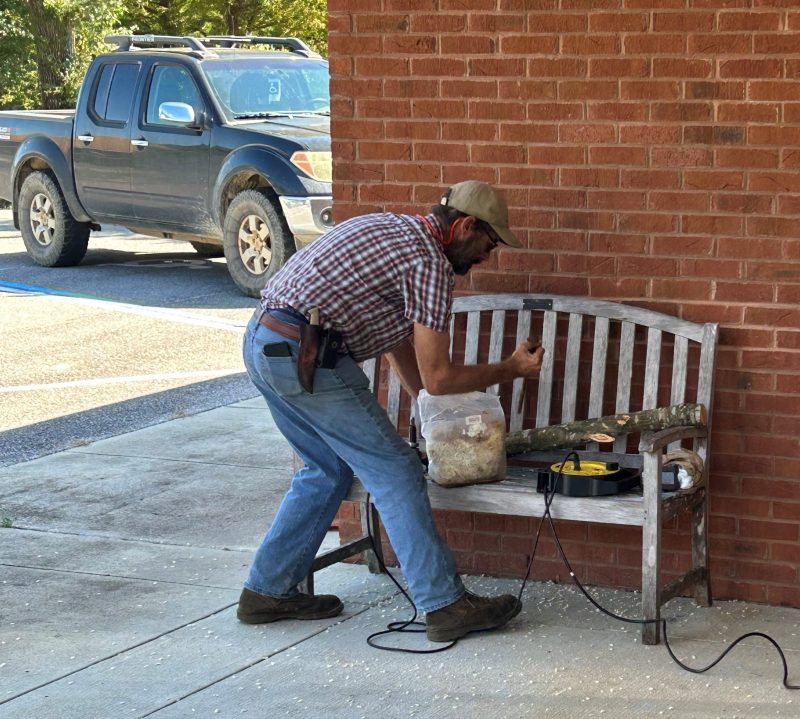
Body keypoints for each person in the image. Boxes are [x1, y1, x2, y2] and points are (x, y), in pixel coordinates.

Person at [238, 180, 545, 642]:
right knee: (398, 470)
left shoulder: (392, 229)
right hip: (309, 358)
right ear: (463, 227)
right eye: (488, 242)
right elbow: (439, 377)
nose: (488, 256)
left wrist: (435, 411)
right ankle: (443, 604)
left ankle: (267, 591)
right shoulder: (429, 265)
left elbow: (407, 351)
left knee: (326, 469)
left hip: (265, 343)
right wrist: (511, 368)